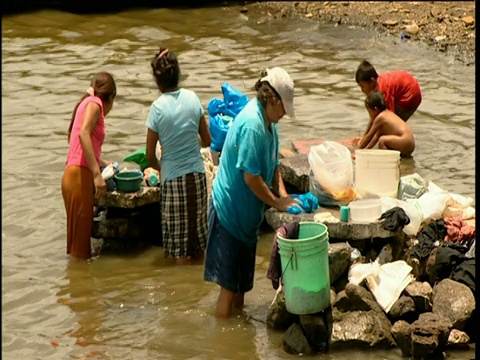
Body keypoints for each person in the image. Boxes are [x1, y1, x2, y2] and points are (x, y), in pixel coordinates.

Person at [204, 67, 301, 318]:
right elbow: (251, 178)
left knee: (241, 287)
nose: (284, 114)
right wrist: (277, 204)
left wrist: (283, 196)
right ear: (273, 100)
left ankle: (237, 339)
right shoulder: (252, 125)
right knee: (228, 288)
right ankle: (224, 342)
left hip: (247, 219)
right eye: (283, 108)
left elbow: (274, 165)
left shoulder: (270, 124)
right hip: (229, 213)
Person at [145, 47, 211, 265]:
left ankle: (184, 294)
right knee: (198, 243)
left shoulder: (157, 108)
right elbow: (207, 141)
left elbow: (149, 155)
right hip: (197, 178)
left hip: (172, 181)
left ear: (157, 80)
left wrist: (160, 167)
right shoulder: (193, 99)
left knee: (178, 250)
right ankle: (198, 291)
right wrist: (192, 143)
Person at [61, 72, 117, 259]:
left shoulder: (86, 103)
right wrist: (96, 173)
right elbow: (83, 134)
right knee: (80, 255)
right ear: (111, 97)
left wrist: (102, 163)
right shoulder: (95, 104)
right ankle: (79, 287)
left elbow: (79, 146)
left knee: (81, 248)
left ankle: (78, 285)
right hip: (79, 177)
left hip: (73, 175)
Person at [355, 60, 422, 122]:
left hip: (410, 95)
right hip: (408, 89)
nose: (362, 90)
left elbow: (389, 115)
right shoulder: (380, 81)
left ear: (372, 81)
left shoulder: (383, 91)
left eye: (362, 86)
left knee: (391, 123)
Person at [357, 90, 415, 157]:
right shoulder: (387, 113)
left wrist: (359, 148)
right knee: (382, 136)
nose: (370, 115)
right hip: (409, 143)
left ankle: (386, 161)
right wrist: (365, 151)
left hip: (405, 142)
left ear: (375, 109)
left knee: (383, 141)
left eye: (369, 111)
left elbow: (369, 136)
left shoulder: (380, 117)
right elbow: (376, 136)